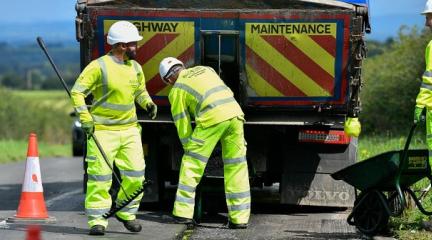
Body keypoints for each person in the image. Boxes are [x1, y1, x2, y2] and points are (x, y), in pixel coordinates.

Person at [71, 20, 157, 235]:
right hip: (102, 131)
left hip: (129, 130)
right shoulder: (98, 66)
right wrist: (86, 118)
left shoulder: (135, 67)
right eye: (133, 44)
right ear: (120, 45)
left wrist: (147, 103)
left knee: (137, 175)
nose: (136, 47)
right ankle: (97, 221)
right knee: (100, 177)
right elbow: (77, 92)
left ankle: (126, 212)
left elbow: (139, 91)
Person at [159, 57, 251, 229]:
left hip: (212, 118)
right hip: (235, 115)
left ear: (168, 79)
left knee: (191, 165)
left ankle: (182, 213)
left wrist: (190, 149)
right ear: (182, 66)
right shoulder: (206, 69)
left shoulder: (176, 90)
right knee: (236, 166)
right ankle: (239, 218)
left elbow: (182, 123)